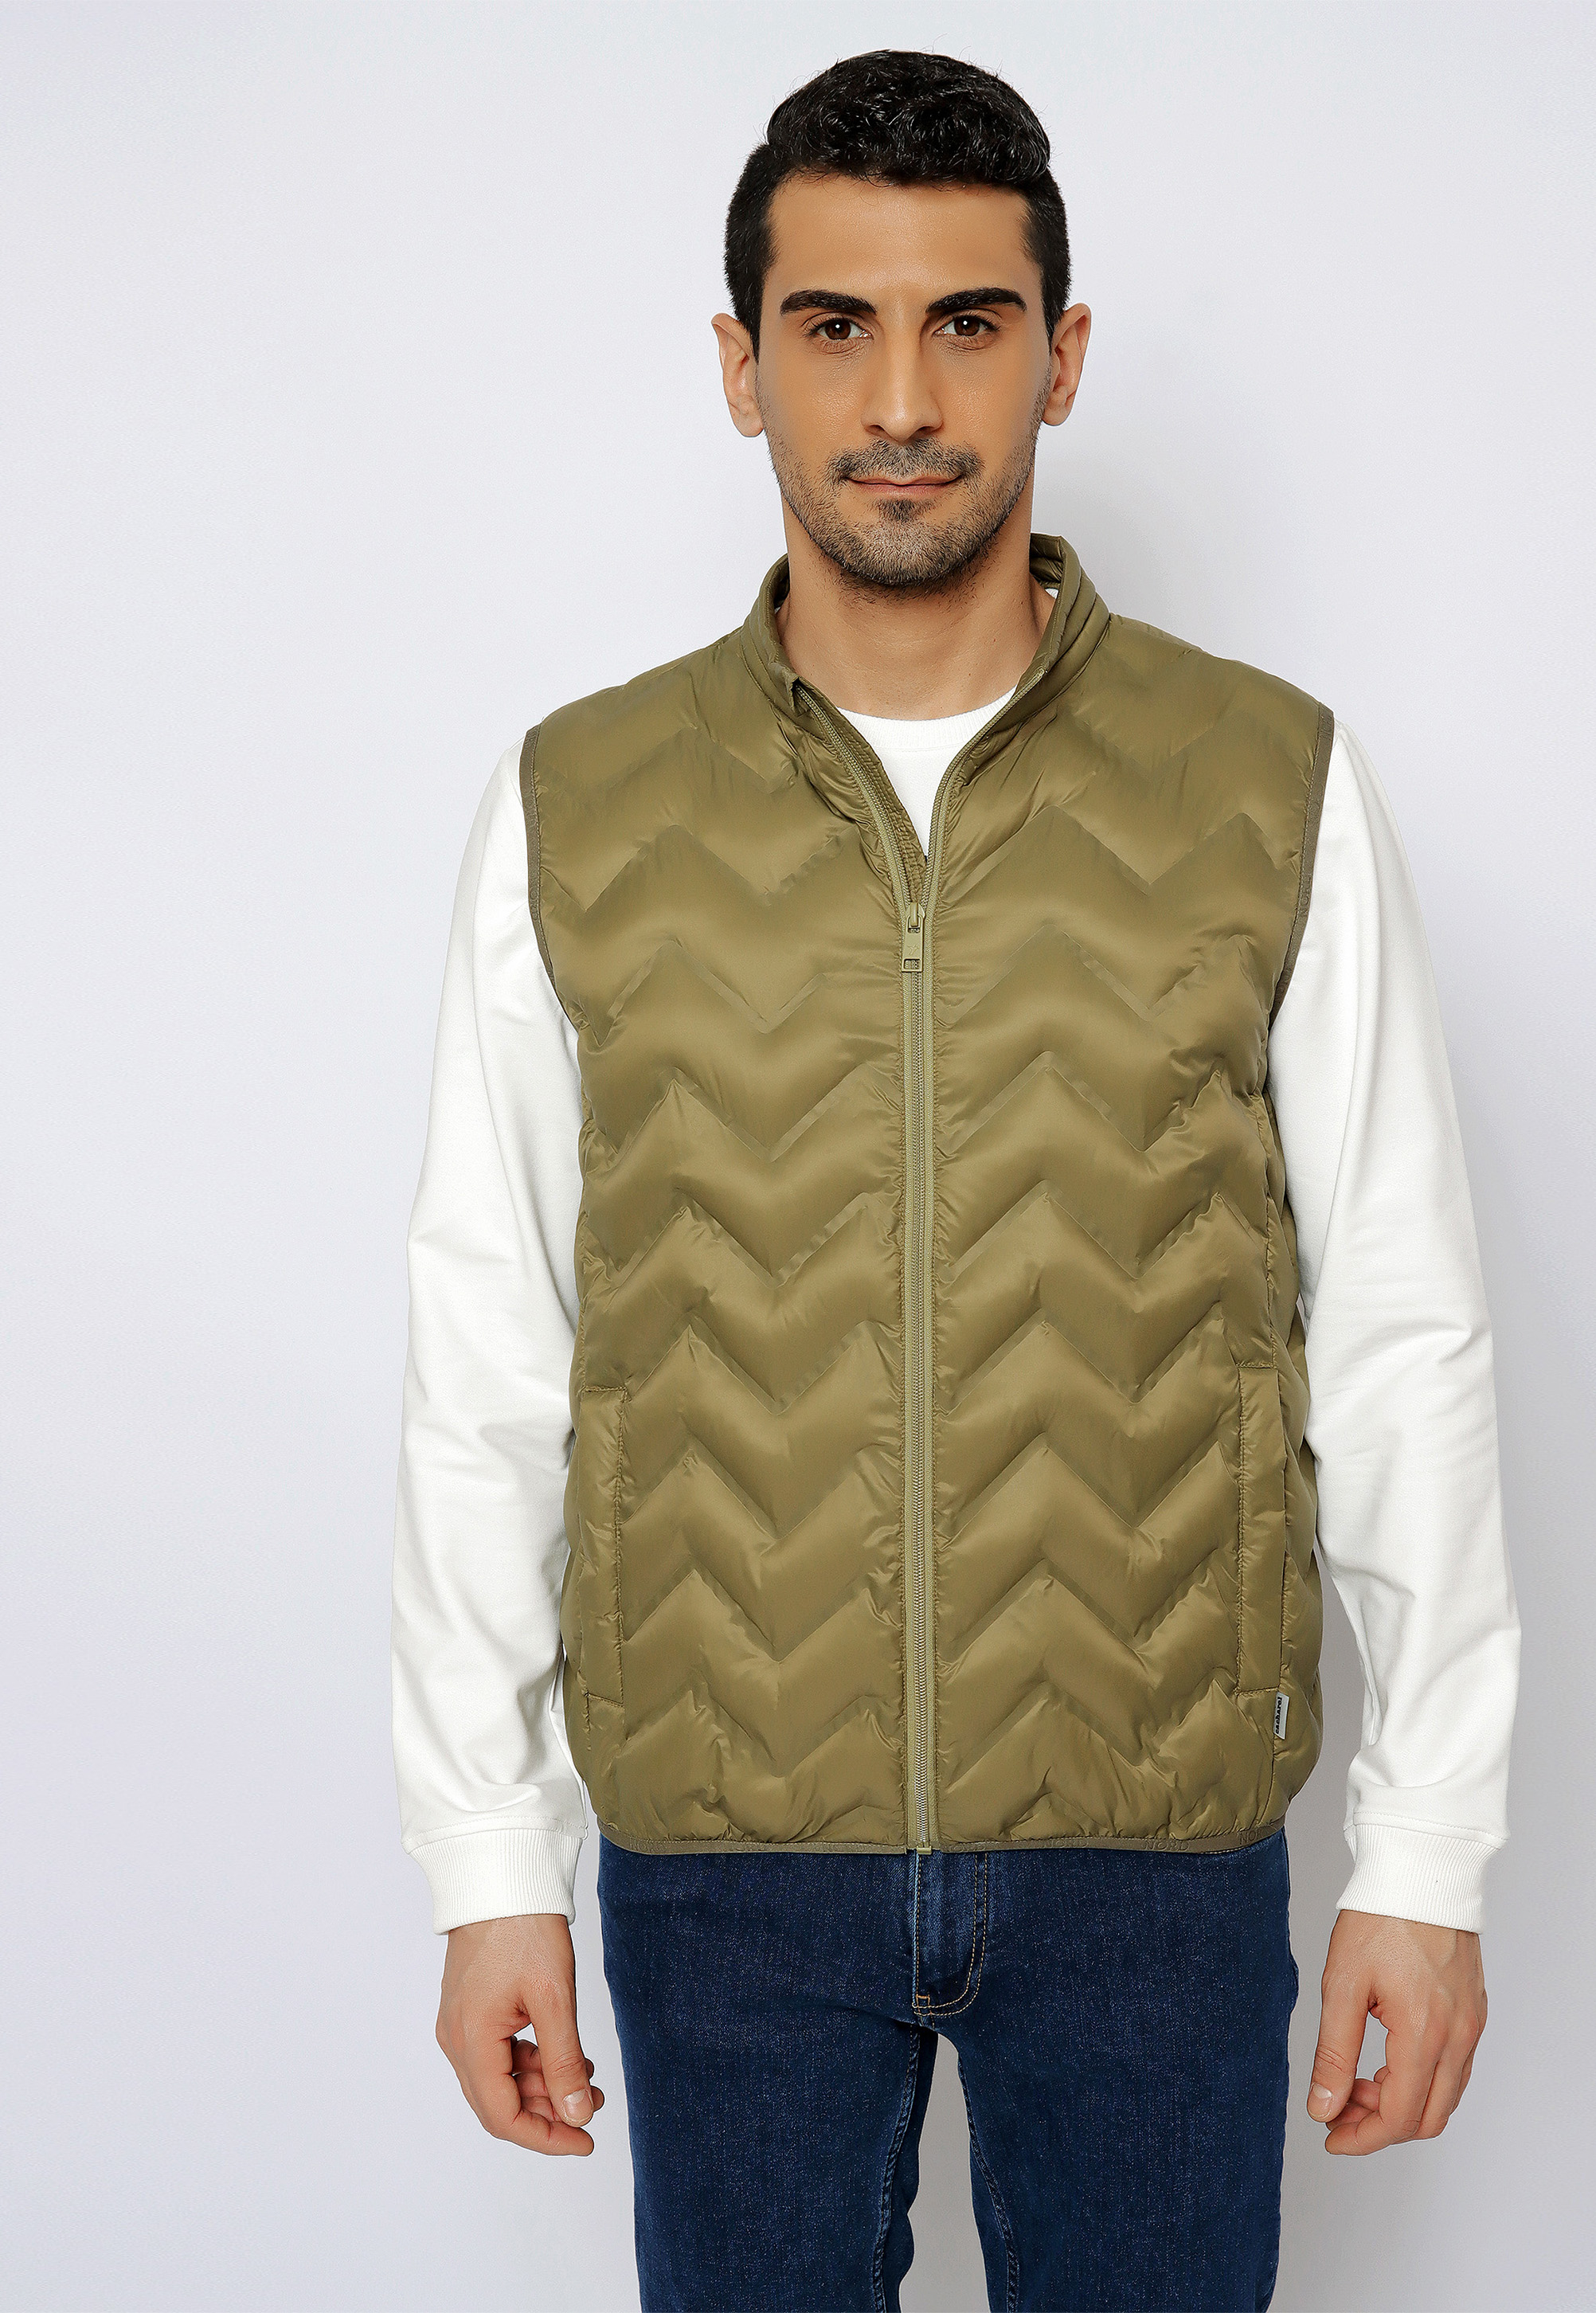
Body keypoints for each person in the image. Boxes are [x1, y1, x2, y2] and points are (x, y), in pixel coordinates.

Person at [389, 48, 1521, 2313]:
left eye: (966, 325)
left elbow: (1402, 1332)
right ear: (743, 366)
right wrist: (485, 1854)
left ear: (1058, 356)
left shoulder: (1265, 783)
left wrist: (1426, 1853)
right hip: (724, 1860)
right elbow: (493, 1351)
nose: (901, 401)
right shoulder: (582, 805)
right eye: (834, 326)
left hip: (1150, 1863)